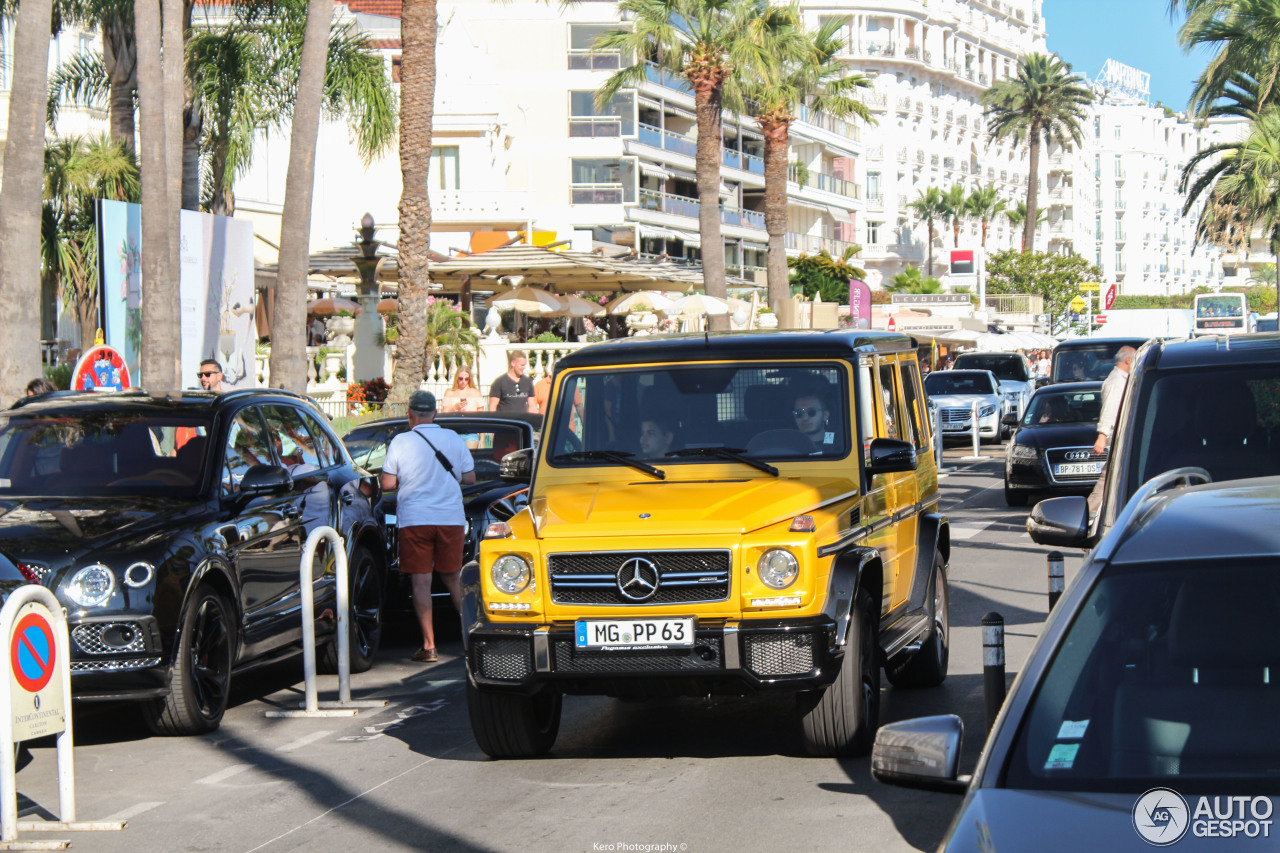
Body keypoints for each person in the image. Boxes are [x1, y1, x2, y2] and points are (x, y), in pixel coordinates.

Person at [380, 391, 476, 663]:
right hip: (450, 518)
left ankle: (429, 646)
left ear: (409, 414)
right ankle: (472, 638)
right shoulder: (453, 439)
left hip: (415, 519)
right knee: (453, 576)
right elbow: (469, 478)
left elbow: (387, 484)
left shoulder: (401, 441)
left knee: (420, 580)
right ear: (436, 413)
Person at [1088, 346, 1137, 515]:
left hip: (1119, 434)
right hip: (1117, 435)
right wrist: (1102, 436)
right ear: (1128, 360)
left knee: (1112, 475)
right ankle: (1090, 510)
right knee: (1109, 476)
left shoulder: (1123, 378)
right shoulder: (1116, 381)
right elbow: (1109, 410)